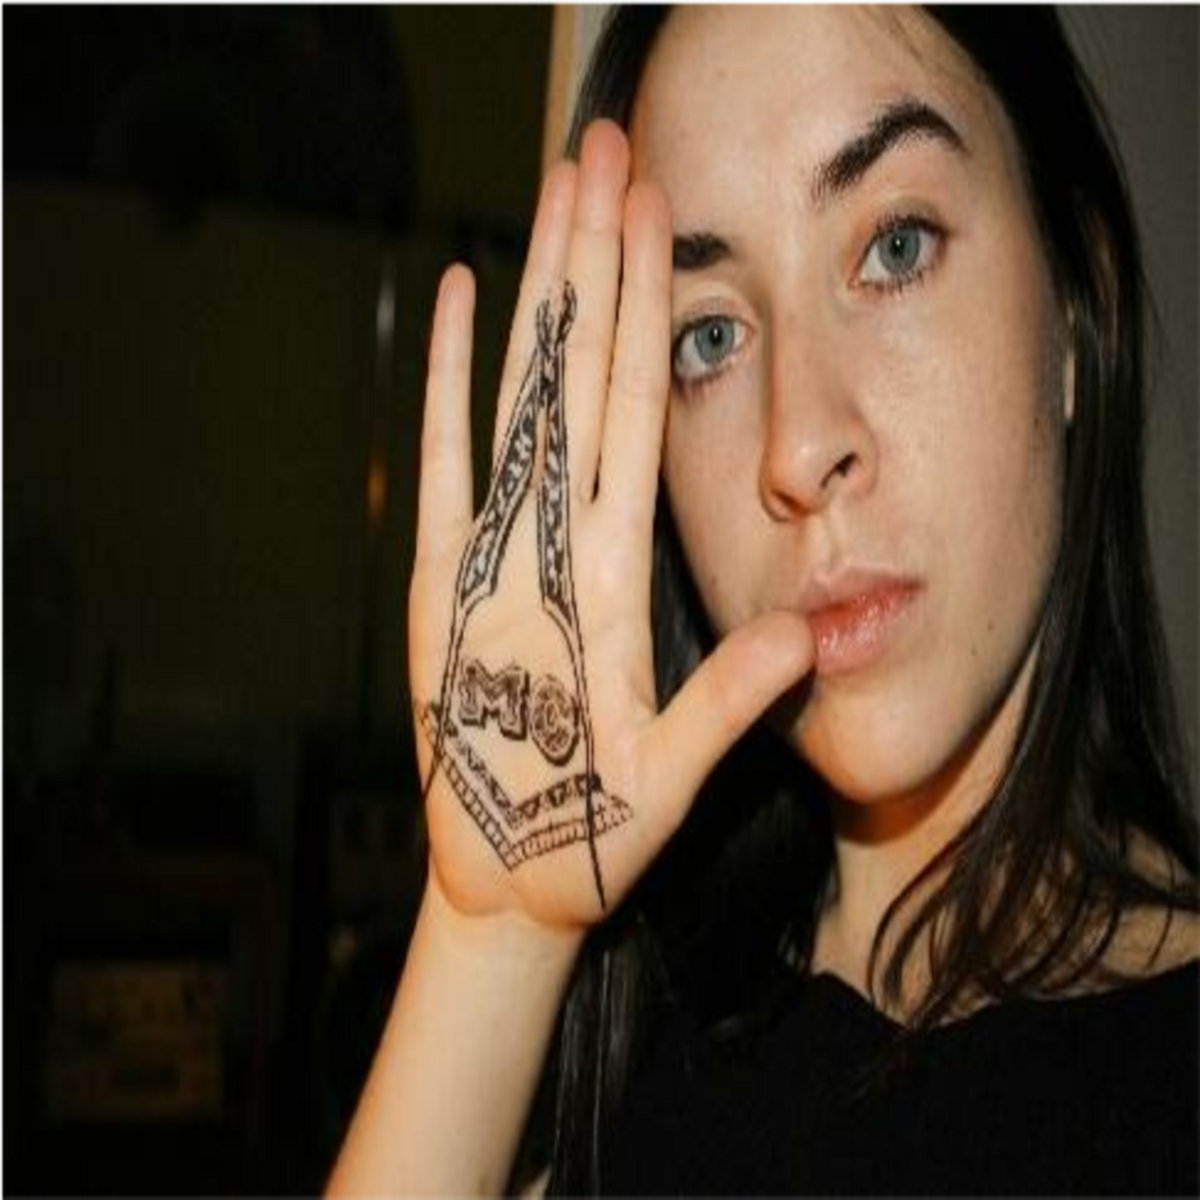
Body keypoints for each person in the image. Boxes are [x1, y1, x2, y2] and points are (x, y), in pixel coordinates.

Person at [327, 7, 1199, 1195]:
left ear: (1075, 303)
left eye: (895, 247)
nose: (796, 445)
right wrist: (494, 935)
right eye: (711, 337)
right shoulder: (640, 1008)